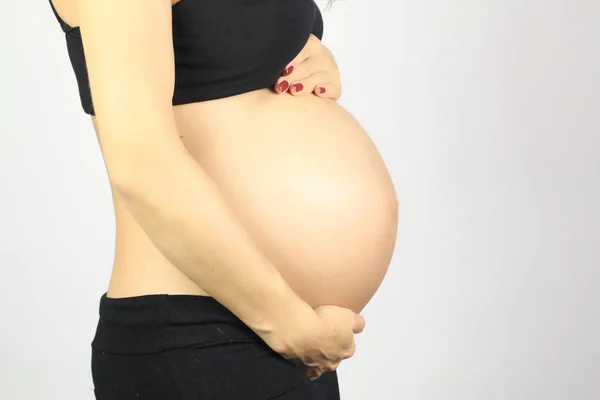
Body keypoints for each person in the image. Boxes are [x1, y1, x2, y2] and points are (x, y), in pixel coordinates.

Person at [48, 0, 399, 398]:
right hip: (201, 335)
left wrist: (308, 57)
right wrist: (287, 325)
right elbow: (141, 165)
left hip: (282, 334)